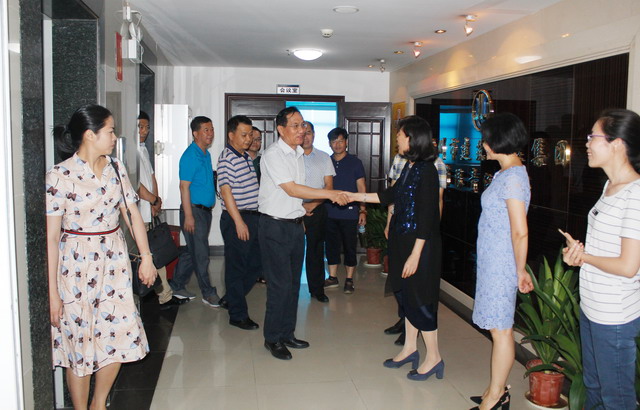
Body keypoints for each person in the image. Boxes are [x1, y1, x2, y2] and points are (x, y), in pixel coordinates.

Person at [46, 105, 156, 409]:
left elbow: (132, 213)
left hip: (114, 262)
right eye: (110, 131)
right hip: (75, 267)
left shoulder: (116, 168)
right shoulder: (59, 175)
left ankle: (99, 402)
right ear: (89, 135)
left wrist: (146, 256)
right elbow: (52, 238)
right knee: (79, 342)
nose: (115, 136)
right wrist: (53, 294)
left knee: (117, 333)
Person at [347, 115, 444, 382]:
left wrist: (415, 255)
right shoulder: (410, 167)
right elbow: (388, 196)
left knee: (421, 299)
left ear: (412, 138)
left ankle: (434, 357)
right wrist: (353, 196)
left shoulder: (427, 170)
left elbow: (428, 217)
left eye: (400, 135)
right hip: (403, 241)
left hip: (420, 246)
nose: (397, 139)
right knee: (407, 296)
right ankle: (410, 348)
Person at [561, 108, 640, 410]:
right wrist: (579, 254)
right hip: (593, 307)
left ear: (616, 143)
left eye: (592, 137)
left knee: (616, 398)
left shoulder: (635, 194)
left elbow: (628, 266)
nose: (587, 143)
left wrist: (586, 257)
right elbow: (606, 249)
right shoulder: (609, 187)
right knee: (594, 388)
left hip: (614, 315)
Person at [258, 106, 348, 360]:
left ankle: (287, 333)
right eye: (296, 126)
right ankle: (272, 338)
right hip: (274, 226)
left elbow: (299, 194)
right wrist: (329, 194)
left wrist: (305, 213)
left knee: (293, 285)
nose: (302, 130)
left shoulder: (298, 154)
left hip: (295, 225)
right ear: (281, 129)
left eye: (303, 125)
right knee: (279, 286)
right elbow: (292, 189)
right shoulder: (274, 155)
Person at [470, 112, 533, 410]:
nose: (483, 145)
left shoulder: (514, 178)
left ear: (499, 141)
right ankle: (495, 389)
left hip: (502, 264)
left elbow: (520, 231)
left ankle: (496, 397)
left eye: (486, 139)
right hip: (492, 260)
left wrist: (519, 270)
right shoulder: (505, 173)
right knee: (497, 328)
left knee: (501, 330)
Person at [383, 147, 447, 345]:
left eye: (402, 135)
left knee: (418, 289)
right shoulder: (400, 161)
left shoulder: (433, 166)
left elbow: (436, 200)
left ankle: (416, 330)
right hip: (400, 230)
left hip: (418, 235)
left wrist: (430, 231)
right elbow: (393, 194)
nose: (398, 140)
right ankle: (405, 321)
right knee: (400, 282)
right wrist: (389, 223)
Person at [169, 116, 221, 307]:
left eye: (212, 129)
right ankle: (208, 293)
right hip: (194, 212)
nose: (210, 133)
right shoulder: (191, 156)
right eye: (206, 130)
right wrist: (189, 215)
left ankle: (176, 285)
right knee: (201, 254)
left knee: (192, 251)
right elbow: (184, 187)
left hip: (204, 212)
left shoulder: (205, 154)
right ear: (195, 133)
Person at [136, 111, 185, 308]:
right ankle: (161, 295)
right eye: (140, 127)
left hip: (148, 211)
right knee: (146, 256)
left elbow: (152, 177)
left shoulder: (143, 150)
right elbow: (135, 184)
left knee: (156, 253)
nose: (144, 131)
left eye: (147, 127)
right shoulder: (129, 152)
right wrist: (152, 199)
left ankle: (165, 295)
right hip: (138, 214)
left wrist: (156, 201)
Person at [217, 115, 261, 330]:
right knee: (236, 267)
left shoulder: (245, 157)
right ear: (231, 135)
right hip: (238, 218)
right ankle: (237, 315)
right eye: (244, 135)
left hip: (252, 217)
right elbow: (226, 192)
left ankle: (231, 298)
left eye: (250, 135)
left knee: (256, 264)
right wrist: (239, 222)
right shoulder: (227, 159)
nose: (248, 139)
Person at [324, 127, 366, 294]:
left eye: (341, 141)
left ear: (346, 142)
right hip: (329, 212)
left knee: (350, 247)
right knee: (331, 246)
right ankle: (332, 277)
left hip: (350, 213)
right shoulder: (326, 161)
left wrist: (363, 210)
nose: (337, 144)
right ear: (329, 144)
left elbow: (361, 187)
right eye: (334, 141)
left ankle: (349, 279)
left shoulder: (355, 162)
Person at [302, 121, 335, 303]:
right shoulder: (290, 157)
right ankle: (288, 289)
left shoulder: (324, 157)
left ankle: (317, 289)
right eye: (303, 132)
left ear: (314, 134)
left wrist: (313, 204)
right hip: (292, 209)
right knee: (292, 250)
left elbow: (329, 186)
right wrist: (300, 207)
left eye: (308, 132)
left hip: (317, 209)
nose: (305, 136)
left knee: (315, 250)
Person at [248, 126, 266, 285]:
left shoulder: (264, 160)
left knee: (261, 242)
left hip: (262, 209)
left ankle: (260, 272)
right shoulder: (240, 159)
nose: (255, 142)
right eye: (252, 139)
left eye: (258, 139)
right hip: (245, 209)